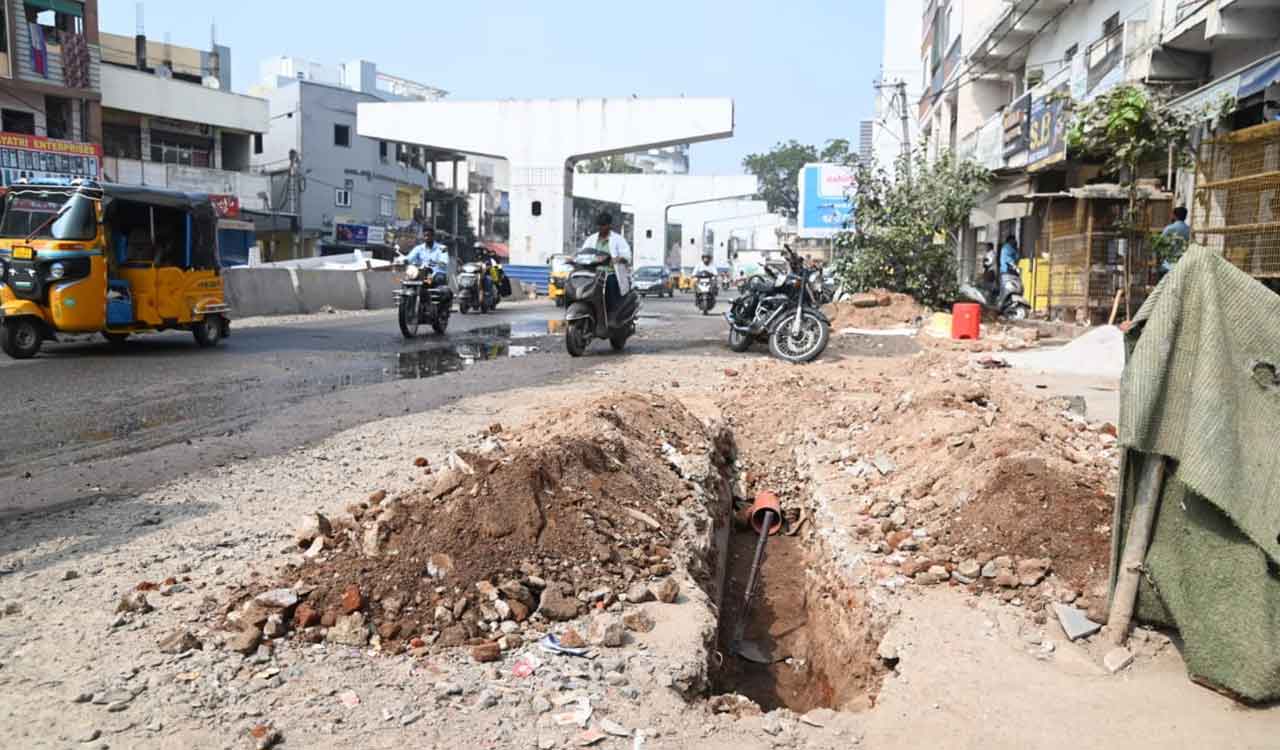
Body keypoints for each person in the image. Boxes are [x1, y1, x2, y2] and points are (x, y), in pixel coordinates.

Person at [580, 211, 631, 315]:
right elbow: (583, 253)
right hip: (594, 275)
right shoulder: (591, 239)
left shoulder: (618, 239)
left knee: (610, 288)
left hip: (611, 274)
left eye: (603, 225)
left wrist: (617, 259)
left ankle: (612, 314)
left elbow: (627, 256)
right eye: (599, 225)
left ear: (609, 225)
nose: (601, 228)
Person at [1160, 206, 1191, 273]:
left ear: (1174, 216)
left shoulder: (1169, 229)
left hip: (1169, 264)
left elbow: (1160, 244)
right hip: (1183, 264)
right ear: (1185, 217)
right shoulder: (1189, 230)